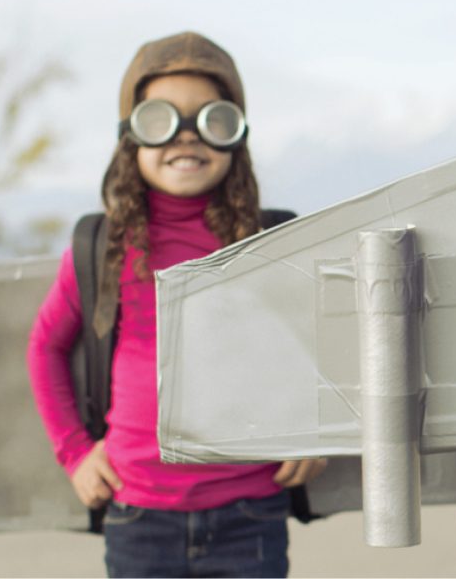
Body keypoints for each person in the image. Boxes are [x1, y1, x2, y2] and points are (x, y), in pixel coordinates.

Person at [27, 32, 326, 577]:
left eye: (210, 121)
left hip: (250, 510)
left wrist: (316, 430)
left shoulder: (268, 242)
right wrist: (74, 451)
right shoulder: (104, 248)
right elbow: (45, 345)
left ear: (235, 134)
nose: (186, 138)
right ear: (130, 139)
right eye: (160, 120)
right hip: (138, 514)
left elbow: (322, 340)